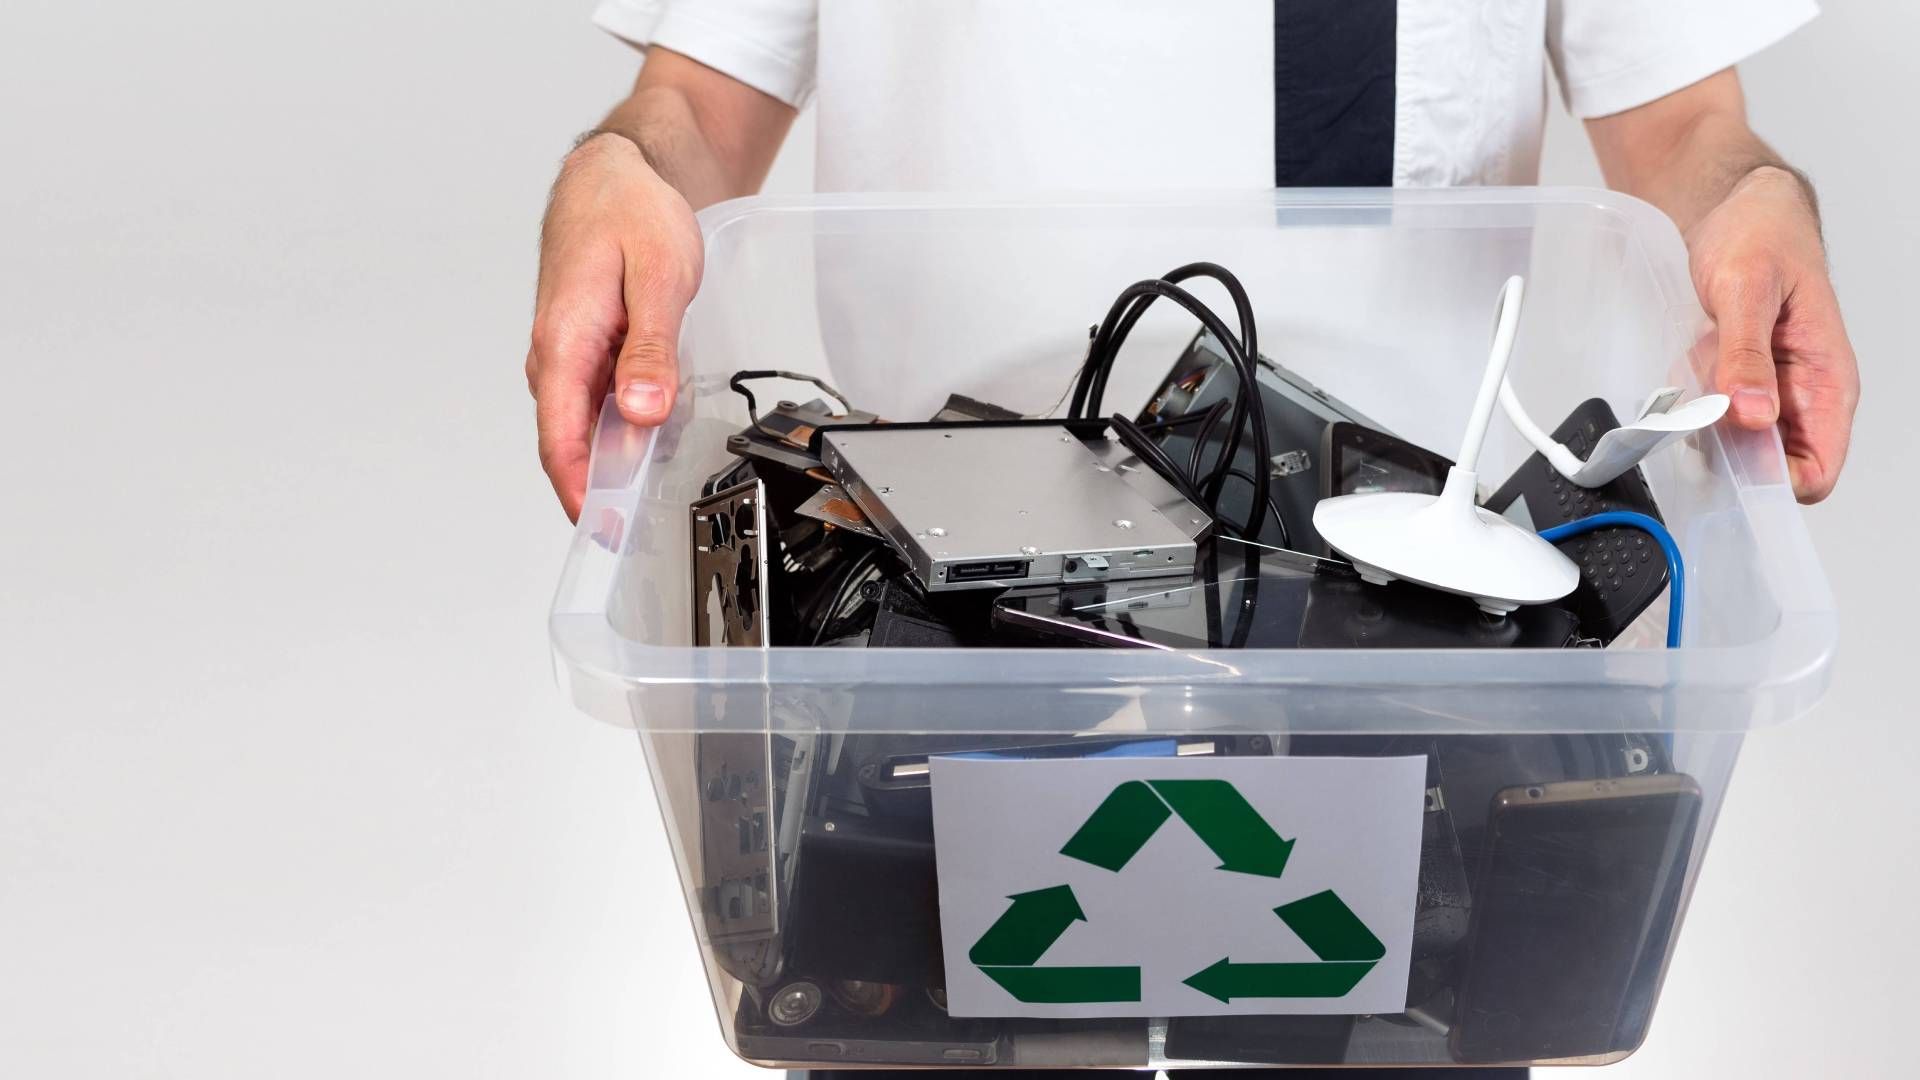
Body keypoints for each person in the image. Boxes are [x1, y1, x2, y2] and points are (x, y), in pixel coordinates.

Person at [528, 2, 1859, 521]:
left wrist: (1750, 199)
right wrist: (627, 169)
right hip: (944, 591)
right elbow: (700, 104)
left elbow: (1685, 125)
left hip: (1392, 609)